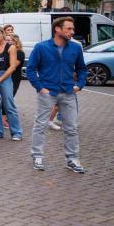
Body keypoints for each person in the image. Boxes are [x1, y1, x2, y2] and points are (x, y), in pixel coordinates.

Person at [26, 16, 87, 173]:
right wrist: (40, 87)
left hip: (68, 92)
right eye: (68, 28)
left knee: (71, 127)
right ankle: (37, 156)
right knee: (40, 125)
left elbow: (82, 68)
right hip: (48, 92)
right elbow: (31, 69)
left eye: (72, 29)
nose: (72, 31)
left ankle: (72, 159)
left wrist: (79, 85)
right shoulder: (41, 47)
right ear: (57, 29)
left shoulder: (75, 48)